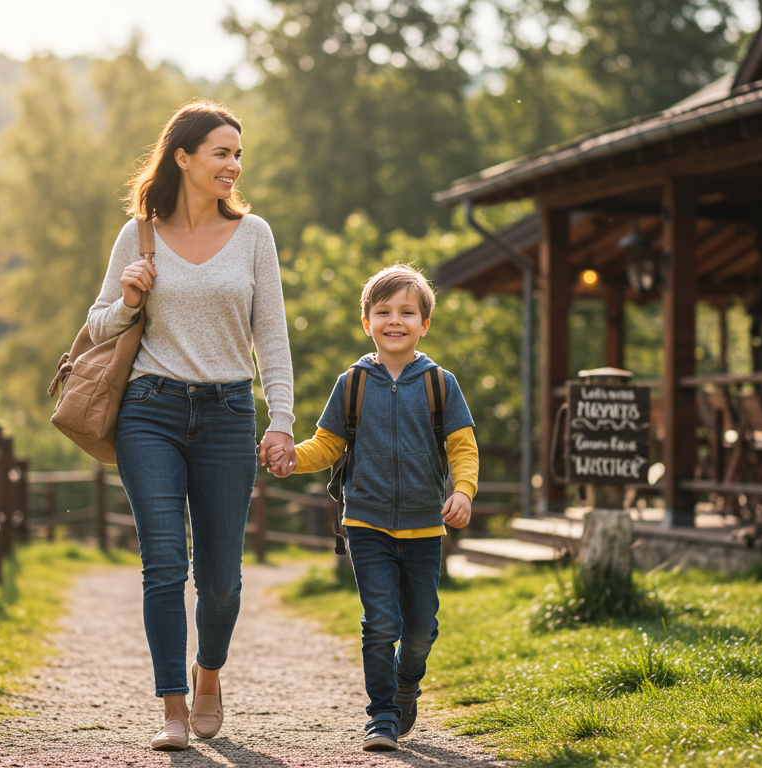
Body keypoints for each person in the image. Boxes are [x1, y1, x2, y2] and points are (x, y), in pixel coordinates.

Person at [87, 100, 297, 751]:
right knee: (163, 564)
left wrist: (281, 419)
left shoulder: (255, 235)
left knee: (223, 579)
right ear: (183, 156)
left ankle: (210, 676)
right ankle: (173, 706)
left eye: (238, 154)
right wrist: (126, 299)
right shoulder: (139, 234)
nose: (233, 165)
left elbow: (273, 337)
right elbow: (95, 328)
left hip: (230, 413)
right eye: (221, 153)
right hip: (148, 411)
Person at [267, 264, 478, 752]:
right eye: (383, 312)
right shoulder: (353, 383)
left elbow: (462, 448)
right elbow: (327, 444)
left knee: (421, 629)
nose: (395, 320)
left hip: (425, 526)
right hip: (366, 523)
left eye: (407, 311)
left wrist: (463, 491)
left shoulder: (440, 384)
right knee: (380, 621)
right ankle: (381, 716)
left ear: (425, 323)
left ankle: (407, 685)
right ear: (367, 322)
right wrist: (292, 458)